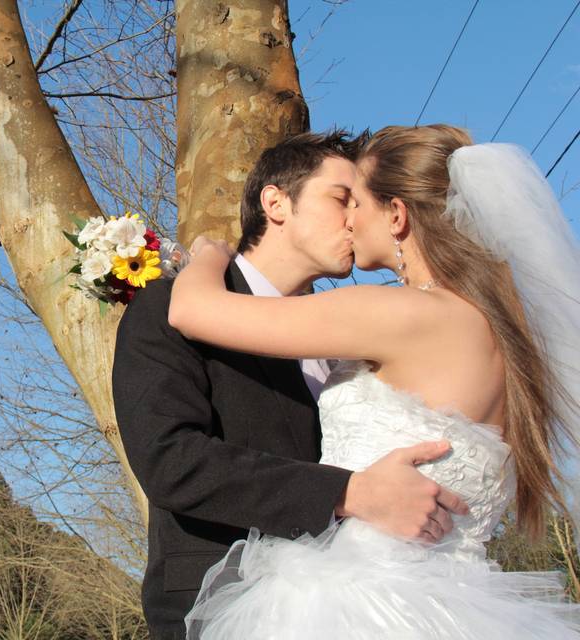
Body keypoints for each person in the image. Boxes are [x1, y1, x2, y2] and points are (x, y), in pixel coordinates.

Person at [169, 124, 580, 638]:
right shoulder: (505, 334)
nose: (347, 220)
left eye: (355, 203)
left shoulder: (397, 313)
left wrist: (210, 253)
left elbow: (191, 309)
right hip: (459, 602)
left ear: (397, 215)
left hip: (360, 601)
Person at [111, 130, 472, 640]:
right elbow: (171, 461)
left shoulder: (356, 333)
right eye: (340, 198)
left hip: (366, 606)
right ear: (276, 202)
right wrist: (349, 492)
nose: (354, 218)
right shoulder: (167, 307)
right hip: (220, 604)